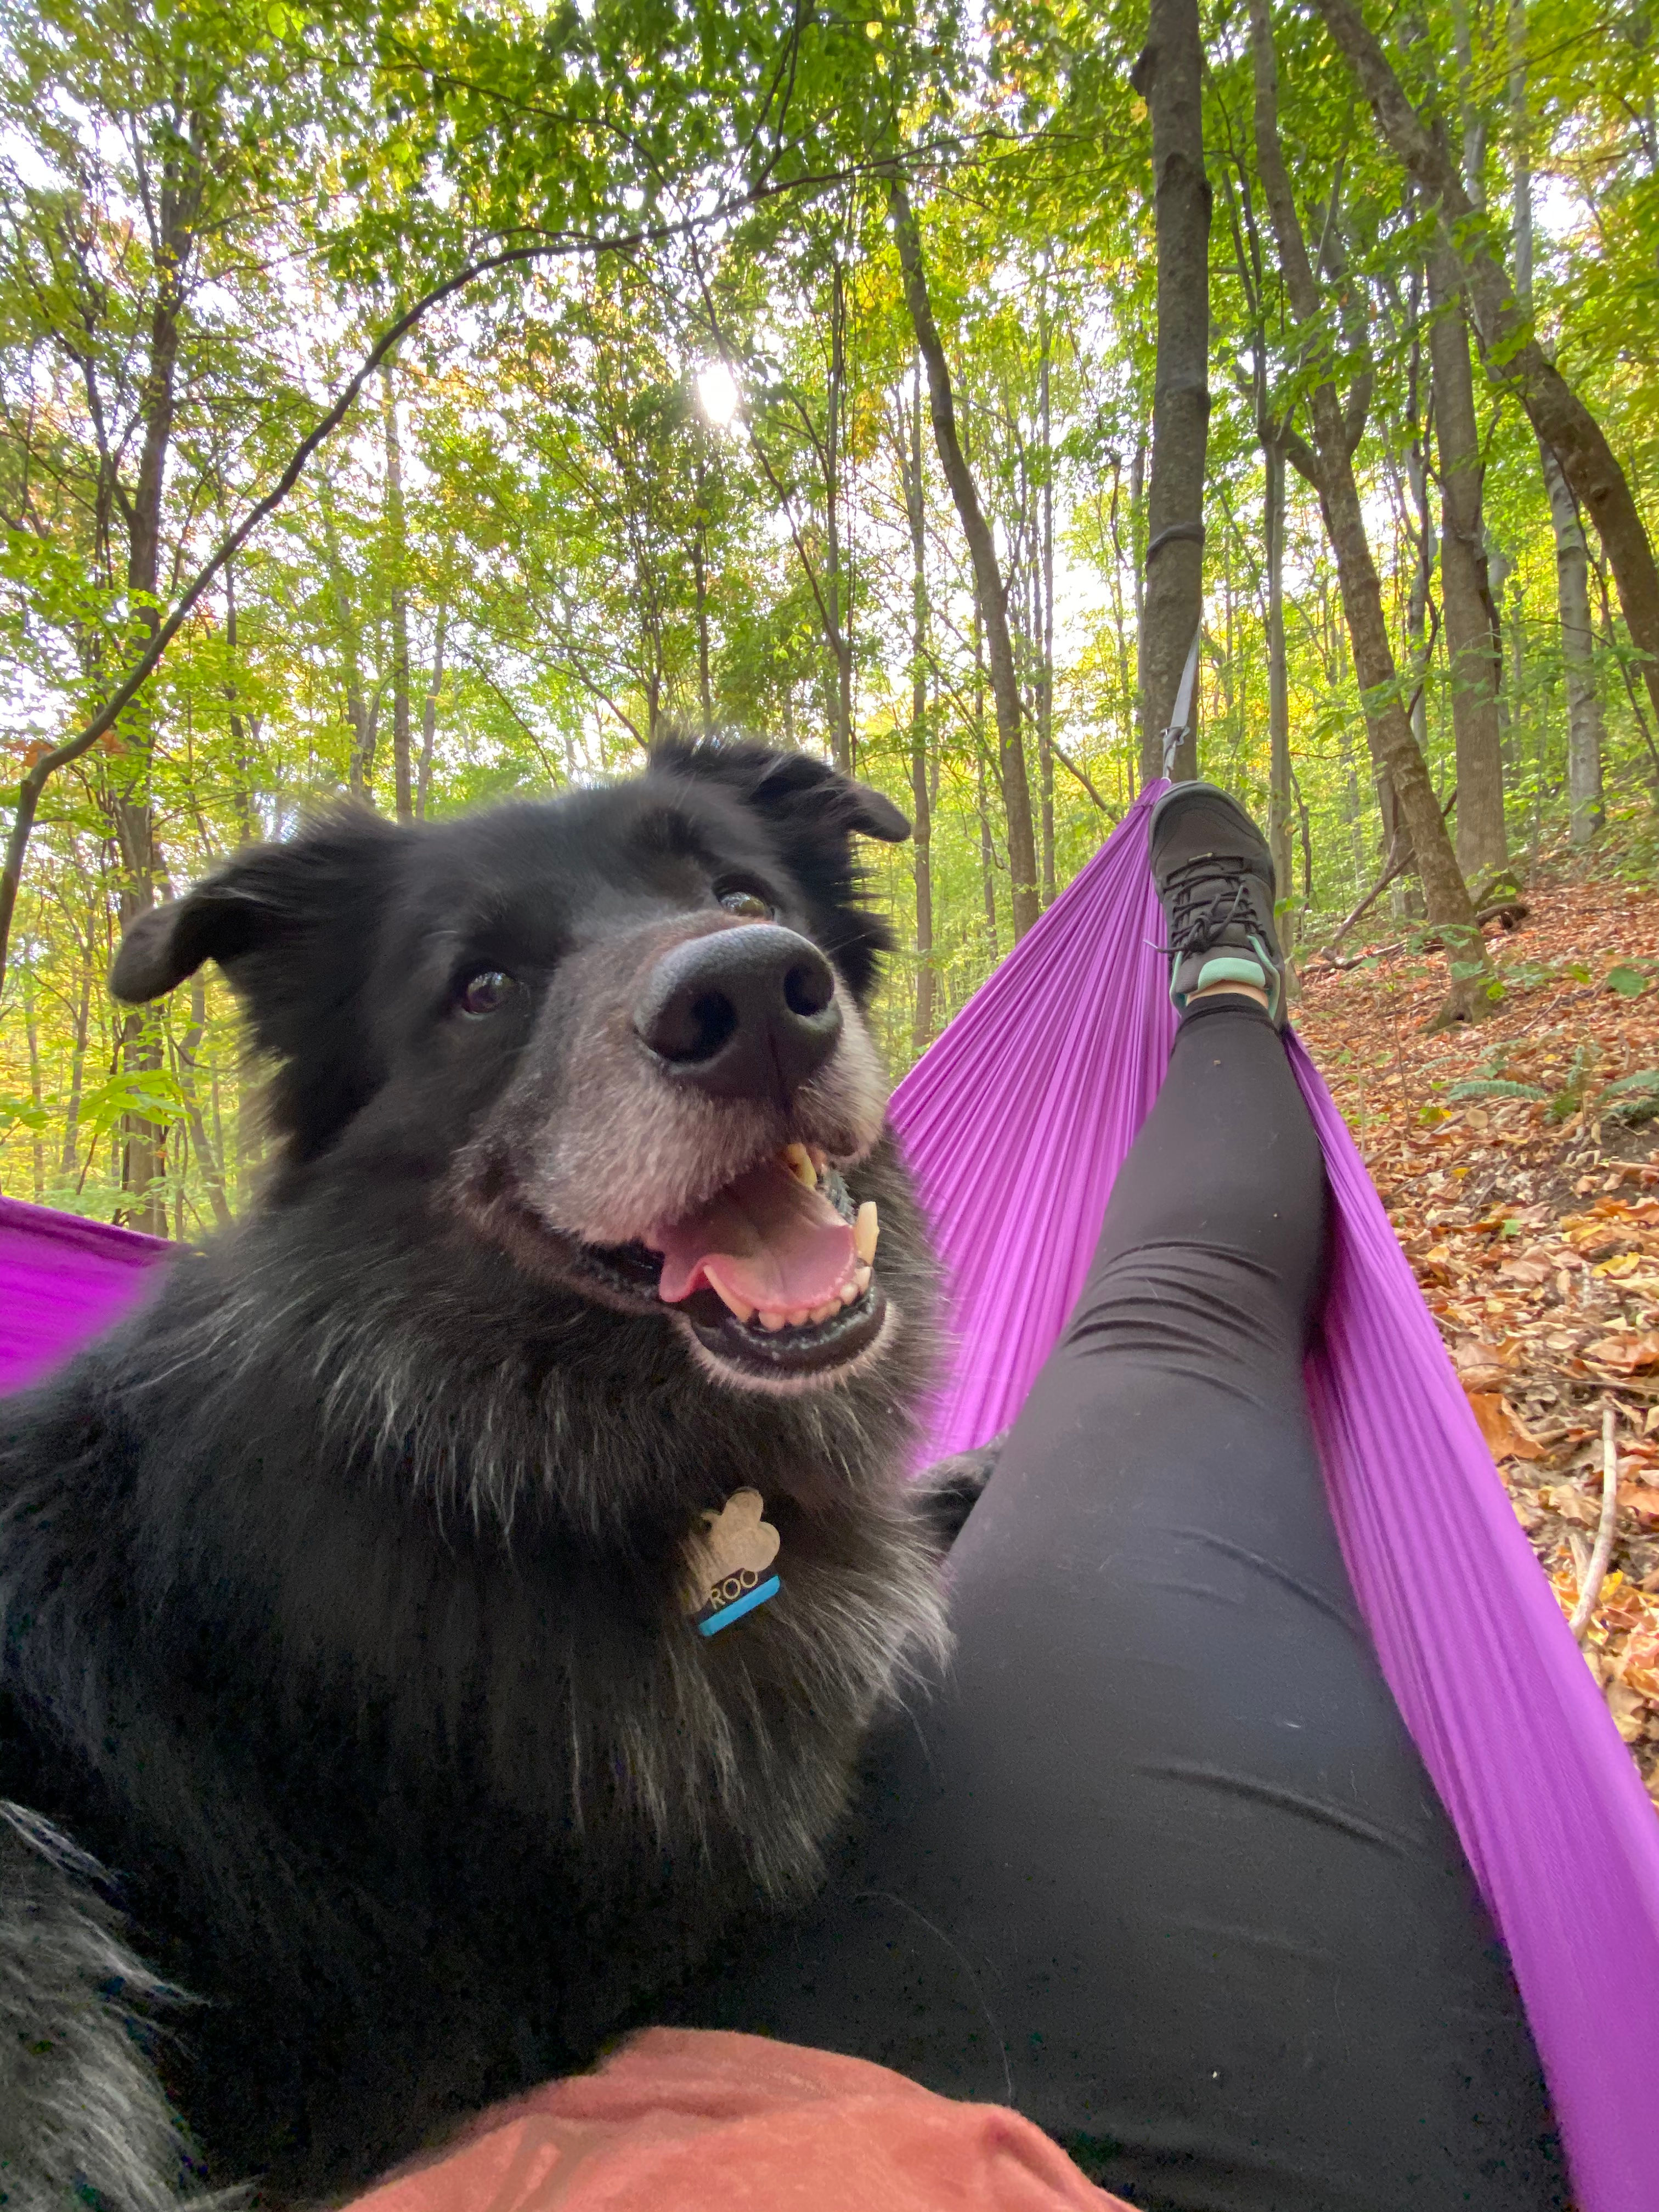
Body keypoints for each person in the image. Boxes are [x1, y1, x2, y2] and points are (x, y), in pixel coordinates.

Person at [659, 783, 1566, 2212]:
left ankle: (816, 1572)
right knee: (1173, 1315)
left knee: (729, 1595)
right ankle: (1226, 994)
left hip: (626, 2014)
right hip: (1071, 2107)